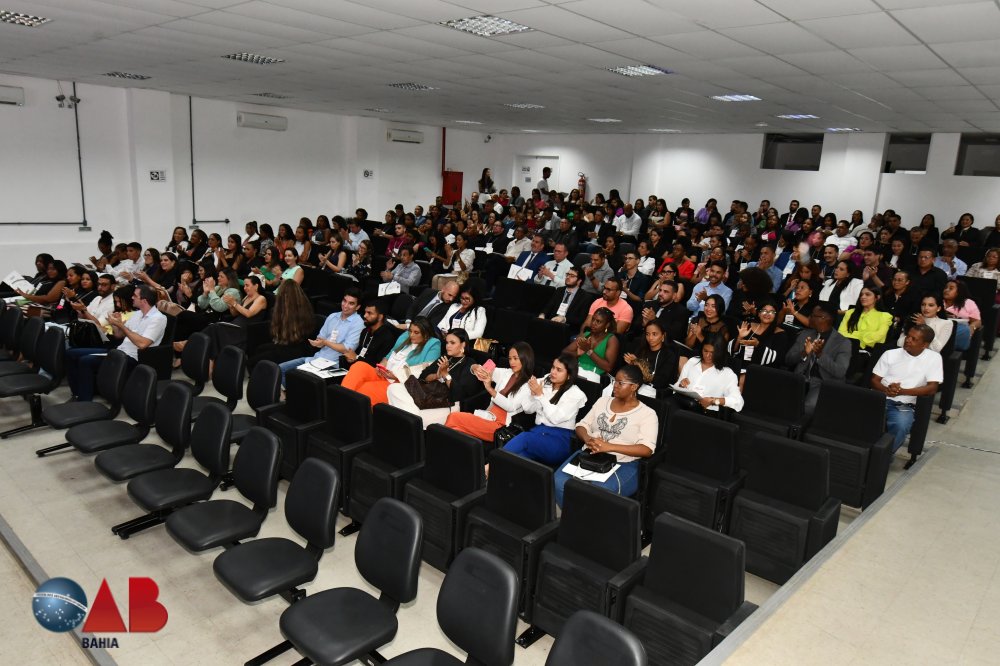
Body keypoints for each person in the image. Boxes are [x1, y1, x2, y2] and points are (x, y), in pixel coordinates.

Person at [552, 364, 658, 507]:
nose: (615, 386)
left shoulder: (647, 414)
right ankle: (572, 516)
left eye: (620, 383)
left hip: (623, 463)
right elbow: (581, 426)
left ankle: (582, 518)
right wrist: (588, 439)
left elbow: (646, 449)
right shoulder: (603, 401)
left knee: (596, 493)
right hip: (590, 455)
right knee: (559, 481)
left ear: (634, 387)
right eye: (614, 381)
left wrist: (609, 447)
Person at [66, 286, 167, 401]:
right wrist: (115, 324)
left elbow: (143, 344)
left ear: (144, 300)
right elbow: (118, 335)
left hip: (133, 357)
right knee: (71, 354)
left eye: (135, 296)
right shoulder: (137, 314)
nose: (132, 297)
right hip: (119, 351)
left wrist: (121, 326)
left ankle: (84, 400)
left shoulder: (158, 318)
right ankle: (77, 394)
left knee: (86, 361)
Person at [502, 353, 588, 465]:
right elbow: (528, 410)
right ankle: (492, 470)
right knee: (519, 457)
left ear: (569, 376)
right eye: (553, 367)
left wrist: (540, 396)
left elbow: (556, 419)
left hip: (560, 440)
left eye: (559, 370)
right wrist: (532, 395)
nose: (553, 372)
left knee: (524, 438)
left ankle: (490, 465)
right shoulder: (545, 382)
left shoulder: (575, 394)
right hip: (538, 433)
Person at [386, 328, 483, 429]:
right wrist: (437, 375)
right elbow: (423, 376)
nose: (448, 346)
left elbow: (459, 394)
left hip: (447, 403)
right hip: (428, 394)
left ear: (463, 344)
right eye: (447, 342)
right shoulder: (446, 357)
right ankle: (411, 421)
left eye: (452, 343)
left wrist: (445, 374)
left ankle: (410, 421)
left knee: (407, 409)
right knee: (393, 388)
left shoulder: (469, 364)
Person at [872, 325, 943, 456]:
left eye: (914, 339)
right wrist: (887, 390)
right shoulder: (890, 354)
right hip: (879, 398)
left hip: (904, 404)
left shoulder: (934, 358)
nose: (908, 340)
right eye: (908, 336)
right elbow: (875, 380)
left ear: (925, 345)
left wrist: (901, 391)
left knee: (901, 425)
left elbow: (932, 388)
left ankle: (882, 458)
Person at [445, 342, 535, 442]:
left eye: (515, 358)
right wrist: (474, 367)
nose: (511, 362)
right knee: (456, 429)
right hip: (488, 416)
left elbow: (511, 407)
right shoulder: (507, 372)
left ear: (525, 358)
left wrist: (490, 389)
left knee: (454, 418)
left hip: (501, 426)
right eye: (510, 359)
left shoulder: (530, 384)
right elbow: (484, 369)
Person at [341, 316, 441, 406]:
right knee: (359, 366)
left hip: (399, 383)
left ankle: (346, 407)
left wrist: (396, 376)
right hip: (384, 374)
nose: (411, 335)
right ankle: (340, 398)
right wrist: (381, 366)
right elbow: (388, 356)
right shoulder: (405, 336)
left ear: (426, 334)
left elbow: (423, 371)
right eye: (410, 331)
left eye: (416, 332)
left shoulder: (433, 344)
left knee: (364, 389)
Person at [277, 288, 364, 386]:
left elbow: (348, 349)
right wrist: (318, 343)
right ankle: (288, 394)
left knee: (298, 378)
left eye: (351, 303)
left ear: (357, 307)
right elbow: (321, 338)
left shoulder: (358, 323)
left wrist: (325, 342)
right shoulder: (333, 316)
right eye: (344, 301)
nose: (345, 305)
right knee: (280, 369)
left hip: (333, 365)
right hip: (317, 358)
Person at [786, 304, 852, 415]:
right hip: (800, 378)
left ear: (825, 318)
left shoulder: (843, 342)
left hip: (824, 382)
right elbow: (788, 360)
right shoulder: (805, 334)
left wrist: (820, 355)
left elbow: (840, 372)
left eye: (813, 315)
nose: (809, 318)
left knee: (808, 406)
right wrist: (804, 353)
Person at [247, 281, 315, 370]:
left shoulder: (294, 313)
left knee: (253, 362)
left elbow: (289, 337)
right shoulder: (303, 307)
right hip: (290, 345)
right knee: (259, 349)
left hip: (294, 349)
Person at [674, 335, 744, 413]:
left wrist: (714, 401)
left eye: (712, 353)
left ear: (720, 353)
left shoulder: (727, 374)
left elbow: (738, 402)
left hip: (706, 412)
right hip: (684, 404)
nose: (708, 356)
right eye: (705, 351)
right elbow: (677, 386)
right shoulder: (692, 361)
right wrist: (681, 385)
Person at [728, 297, 789, 381]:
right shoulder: (748, 326)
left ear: (775, 316)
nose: (767, 314)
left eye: (772, 312)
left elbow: (777, 359)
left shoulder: (780, 334)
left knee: (742, 379)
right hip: (740, 365)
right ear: (759, 314)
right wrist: (739, 337)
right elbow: (733, 351)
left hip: (761, 370)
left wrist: (758, 345)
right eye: (764, 311)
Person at [618, 320, 679, 397]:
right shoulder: (641, 350)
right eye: (647, 334)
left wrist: (639, 364)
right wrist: (632, 365)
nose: (650, 338)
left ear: (663, 336)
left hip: (656, 392)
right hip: (638, 385)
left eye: (654, 334)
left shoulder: (669, 354)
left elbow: (661, 382)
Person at [341, 300, 398, 369]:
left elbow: (378, 364)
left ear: (380, 317)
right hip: (358, 368)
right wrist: (351, 358)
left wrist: (356, 357)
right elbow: (359, 353)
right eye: (365, 312)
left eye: (369, 313)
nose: (365, 315)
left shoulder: (388, 337)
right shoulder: (365, 331)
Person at [569, 307, 619, 382]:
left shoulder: (612, 340)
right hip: (577, 370)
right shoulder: (586, 335)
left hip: (595, 376)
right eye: (593, 319)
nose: (593, 323)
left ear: (607, 325)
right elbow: (564, 353)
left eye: (598, 321)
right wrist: (577, 354)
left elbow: (608, 367)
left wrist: (588, 351)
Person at [943, 279, 982, 351]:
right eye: (945, 287)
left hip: (959, 331)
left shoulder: (968, 303)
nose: (946, 290)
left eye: (951, 288)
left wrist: (972, 327)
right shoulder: (938, 301)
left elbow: (978, 322)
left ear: (959, 291)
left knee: (965, 330)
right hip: (941, 328)